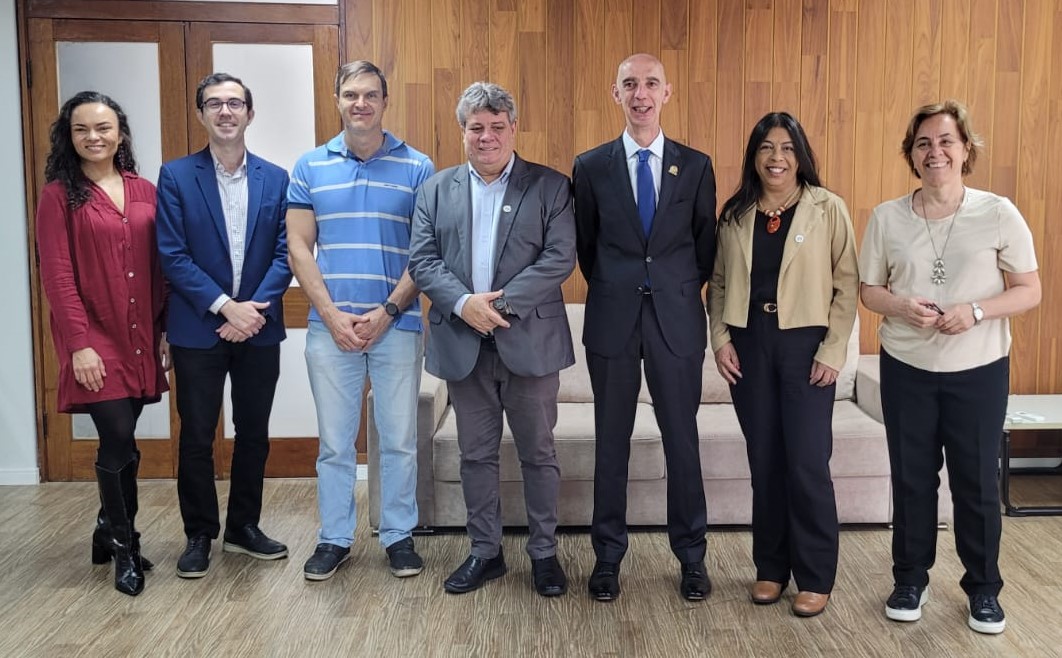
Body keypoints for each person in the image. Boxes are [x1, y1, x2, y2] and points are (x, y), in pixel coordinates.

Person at [859, 100, 1041, 635]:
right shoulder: (887, 217)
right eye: (923, 143)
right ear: (911, 156)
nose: (934, 151)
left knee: (977, 483)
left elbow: (1029, 289)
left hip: (979, 369)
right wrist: (901, 306)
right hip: (907, 367)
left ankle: (984, 589)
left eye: (945, 141)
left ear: (965, 150)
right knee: (912, 479)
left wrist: (977, 311)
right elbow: (871, 291)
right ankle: (910, 579)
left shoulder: (998, 211)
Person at [408, 81, 575, 597]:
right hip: (463, 345)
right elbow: (423, 259)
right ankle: (485, 551)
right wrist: (464, 305)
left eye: (496, 127)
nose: (487, 137)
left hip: (529, 343)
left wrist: (494, 307)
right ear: (463, 132)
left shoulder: (550, 186)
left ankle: (544, 553)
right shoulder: (437, 188)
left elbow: (559, 257)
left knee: (539, 454)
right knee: (474, 456)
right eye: (476, 128)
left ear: (513, 128)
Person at [572, 53, 717, 602]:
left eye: (650, 84)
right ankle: (607, 558)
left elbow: (704, 249)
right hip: (612, 320)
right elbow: (588, 248)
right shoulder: (590, 166)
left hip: (676, 323)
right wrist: (621, 286)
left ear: (667, 92)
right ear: (616, 94)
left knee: (683, 442)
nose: (641, 94)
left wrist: (673, 291)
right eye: (629, 84)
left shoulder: (696, 166)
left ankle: (692, 558)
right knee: (611, 443)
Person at [287, 61, 433, 581]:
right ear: (337, 99)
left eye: (370, 95)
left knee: (397, 439)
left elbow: (426, 251)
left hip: (397, 326)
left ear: (385, 101)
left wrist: (389, 311)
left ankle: (398, 536)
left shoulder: (418, 167)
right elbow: (299, 246)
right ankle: (334, 538)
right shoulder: (310, 166)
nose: (361, 104)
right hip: (331, 330)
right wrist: (330, 315)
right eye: (351, 94)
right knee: (334, 443)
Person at [709, 112, 858, 617]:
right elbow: (720, 283)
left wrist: (834, 351)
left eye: (788, 148)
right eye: (767, 148)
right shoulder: (735, 213)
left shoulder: (827, 208)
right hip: (749, 345)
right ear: (754, 155)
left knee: (807, 462)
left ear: (801, 155)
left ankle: (815, 575)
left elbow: (846, 286)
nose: (777, 158)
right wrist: (721, 339)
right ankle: (771, 568)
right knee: (765, 462)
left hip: (806, 345)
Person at [157, 73, 293, 579]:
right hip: (199, 328)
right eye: (214, 104)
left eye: (235, 102)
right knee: (195, 435)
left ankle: (243, 527)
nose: (225, 111)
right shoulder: (175, 176)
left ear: (249, 114)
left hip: (258, 327)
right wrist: (224, 307)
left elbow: (289, 252)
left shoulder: (276, 178)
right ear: (201, 115)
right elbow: (173, 255)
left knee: (253, 432)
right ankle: (199, 533)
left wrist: (251, 309)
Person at [37, 91, 170, 596]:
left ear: (121, 133)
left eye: (104, 127)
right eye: (82, 129)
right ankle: (125, 545)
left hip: (140, 335)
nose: (94, 137)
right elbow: (57, 277)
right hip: (94, 338)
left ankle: (102, 526)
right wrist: (79, 345)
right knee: (118, 436)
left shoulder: (145, 191)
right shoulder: (58, 195)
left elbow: (162, 268)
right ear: (68, 137)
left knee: (125, 433)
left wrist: (164, 333)